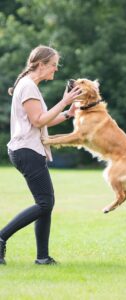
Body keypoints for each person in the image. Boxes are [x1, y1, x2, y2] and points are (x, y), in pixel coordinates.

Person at [0, 45, 83, 265]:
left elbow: (42, 119)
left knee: (45, 202)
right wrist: (64, 101)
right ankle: (1, 237)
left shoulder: (29, 85)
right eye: (54, 65)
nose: (56, 70)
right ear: (41, 64)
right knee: (45, 203)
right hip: (26, 150)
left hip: (28, 150)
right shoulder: (28, 86)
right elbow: (38, 120)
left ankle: (43, 257)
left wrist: (67, 113)